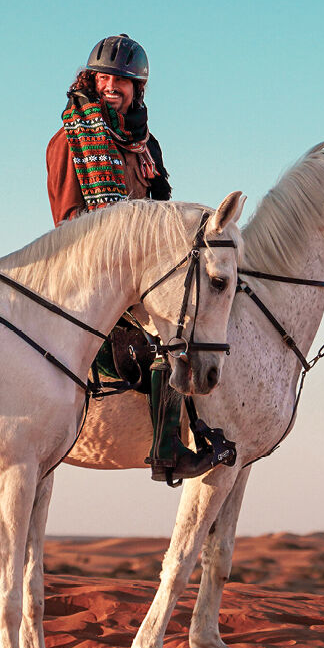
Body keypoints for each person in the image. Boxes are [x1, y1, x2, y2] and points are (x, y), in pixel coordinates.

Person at [45, 34, 233, 484]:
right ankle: (167, 451)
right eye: (105, 76)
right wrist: (125, 249)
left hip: (146, 274)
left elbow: (163, 216)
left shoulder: (147, 145)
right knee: (168, 339)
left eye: (124, 80)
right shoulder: (68, 139)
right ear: (91, 79)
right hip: (94, 270)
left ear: (138, 88)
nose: (113, 85)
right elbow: (67, 219)